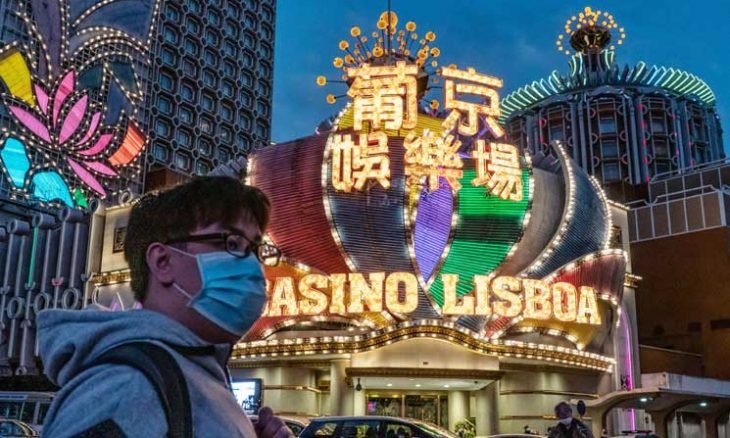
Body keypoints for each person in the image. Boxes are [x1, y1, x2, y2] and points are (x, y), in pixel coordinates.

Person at [38, 176, 293, 437]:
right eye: (232, 243)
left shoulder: (195, 375)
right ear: (163, 262)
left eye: (255, 249)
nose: (252, 264)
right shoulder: (128, 388)